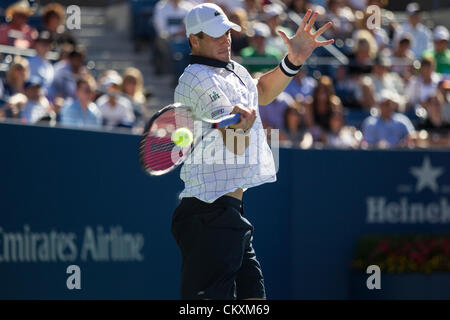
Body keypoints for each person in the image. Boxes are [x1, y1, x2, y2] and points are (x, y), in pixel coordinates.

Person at [171, 3, 334, 300]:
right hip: (208, 215)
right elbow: (233, 137)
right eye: (217, 35)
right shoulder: (195, 77)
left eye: (228, 33)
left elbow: (261, 92)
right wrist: (240, 129)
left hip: (228, 213)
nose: (226, 40)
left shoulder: (236, 72)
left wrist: (292, 60)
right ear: (195, 40)